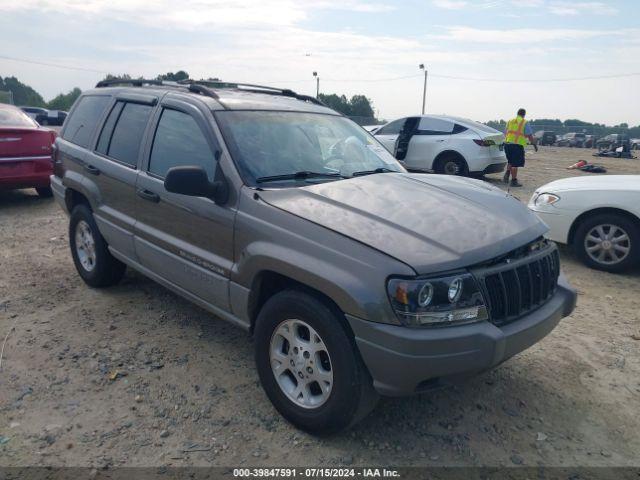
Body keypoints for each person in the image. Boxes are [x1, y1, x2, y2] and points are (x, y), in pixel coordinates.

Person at [502, 108, 537, 187]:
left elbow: (506, 132)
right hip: (516, 145)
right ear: (524, 114)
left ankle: (506, 176)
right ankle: (514, 181)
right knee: (515, 164)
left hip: (507, 144)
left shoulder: (510, 121)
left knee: (510, 161)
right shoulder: (524, 122)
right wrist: (534, 144)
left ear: (517, 113)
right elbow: (529, 135)